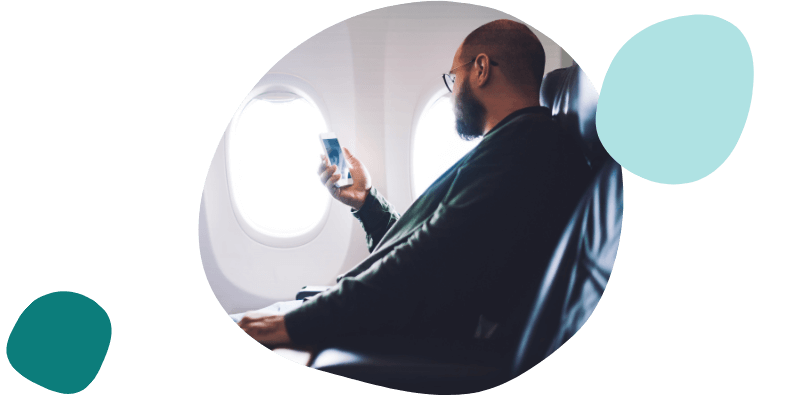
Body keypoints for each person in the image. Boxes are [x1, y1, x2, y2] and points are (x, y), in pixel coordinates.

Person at [235, 19, 594, 355]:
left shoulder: (523, 151)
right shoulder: (512, 146)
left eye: (453, 78)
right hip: (428, 319)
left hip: (446, 341)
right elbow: (437, 250)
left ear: (481, 69)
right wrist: (366, 202)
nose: (453, 94)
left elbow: (426, 264)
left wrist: (296, 324)